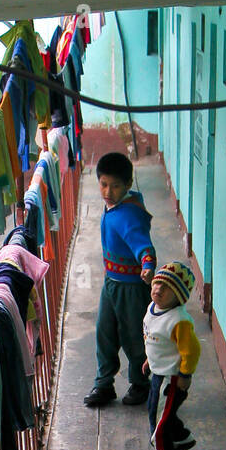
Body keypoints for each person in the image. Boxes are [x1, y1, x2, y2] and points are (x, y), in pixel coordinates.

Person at [83, 151, 156, 408]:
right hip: (111, 283)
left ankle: (142, 383)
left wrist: (147, 265)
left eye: (115, 186)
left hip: (131, 288)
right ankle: (104, 384)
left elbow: (144, 245)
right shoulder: (115, 206)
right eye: (103, 184)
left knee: (134, 335)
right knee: (104, 333)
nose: (108, 191)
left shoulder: (130, 214)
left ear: (127, 184)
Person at [141, 262, 201, 450]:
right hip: (158, 373)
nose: (158, 290)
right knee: (159, 410)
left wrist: (185, 375)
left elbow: (191, 351)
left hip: (173, 377)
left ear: (178, 297)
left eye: (166, 288)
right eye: (157, 284)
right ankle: (182, 437)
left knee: (160, 419)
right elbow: (154, 339)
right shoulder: (152, 308)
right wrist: (149, 360)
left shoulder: (179, 321)